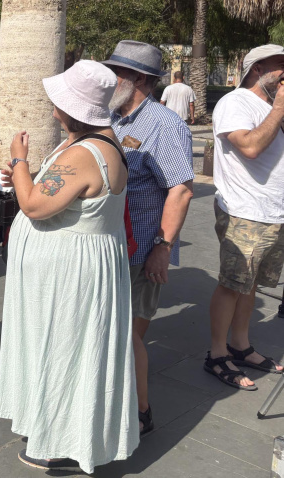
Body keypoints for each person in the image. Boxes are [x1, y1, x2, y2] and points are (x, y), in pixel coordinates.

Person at [0, 60, 138, 473]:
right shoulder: (95, 143)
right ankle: (55, 426)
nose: (54, 110)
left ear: (71, 109)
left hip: (71, 274)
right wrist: (27, 177)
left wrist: (20, 162)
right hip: (78, 266)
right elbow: (52, 192)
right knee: (66, 348)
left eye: (58, 104)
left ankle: (60, 440)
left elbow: (35, 205)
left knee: (64, 350)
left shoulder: (84, 152)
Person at [103, 40, 195, 435]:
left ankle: (139, 414)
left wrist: (163, 247)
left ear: (139, 78)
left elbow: (181, 189)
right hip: (112, 246)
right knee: (115, 334)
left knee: (127, 336)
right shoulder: (113, 117)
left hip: (142, 248)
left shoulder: (164, 124)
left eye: (115, 73)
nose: (109, 80)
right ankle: (117, 398)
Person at [206, 44, 284, 392]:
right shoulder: (235, 102)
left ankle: (240, 344)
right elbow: (249, 146)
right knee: (232, 284)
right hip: (245, 212)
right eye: (281, 66)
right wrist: (279, 108)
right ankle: (217, 353)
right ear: (257, 69)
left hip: (274, 212)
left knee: (250, 285)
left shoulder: (272, 108)